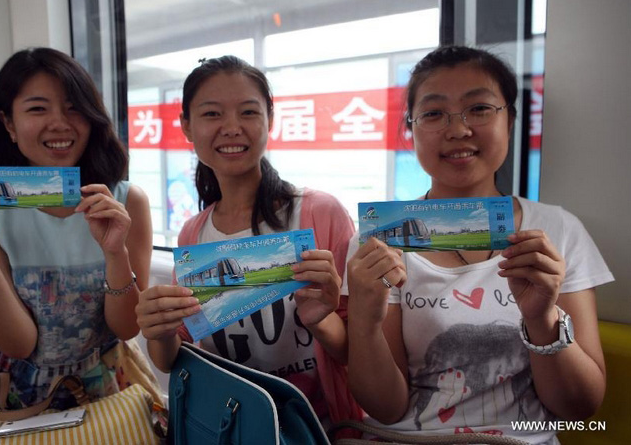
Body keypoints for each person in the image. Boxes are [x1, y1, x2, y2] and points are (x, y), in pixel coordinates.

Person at [344, 46, 613, 444]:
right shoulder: (380, 244)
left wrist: (542, 320)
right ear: (411, 130)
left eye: (480, 109)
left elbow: (580, 408)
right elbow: (388, 408)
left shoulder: (557, 230)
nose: (458, 129)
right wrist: (364, 325)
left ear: (511, 121)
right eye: (433, 114)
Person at [136, 55, 361, 424]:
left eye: (248, 112)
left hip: (316, 427)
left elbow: (355, 353)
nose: (231, 127)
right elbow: (174, 354)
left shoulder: (320, 214)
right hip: (233, 425)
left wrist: (322, 320)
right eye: (212, 114)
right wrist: (157, 333)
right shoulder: (193, 233)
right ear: (187, 127)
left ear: (269, 120)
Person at [0, 47, 154, 419]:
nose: (60, 123)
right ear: (9, 124)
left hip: (112, 386)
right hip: (21, 394)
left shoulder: (128, 202)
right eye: (37, 108)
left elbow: (127, 327)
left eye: (73, 106)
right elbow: (19, 344)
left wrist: (116, 253)